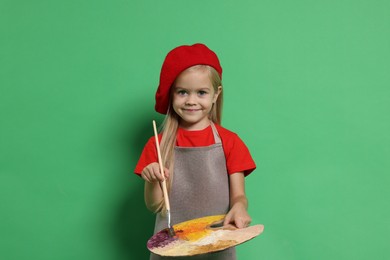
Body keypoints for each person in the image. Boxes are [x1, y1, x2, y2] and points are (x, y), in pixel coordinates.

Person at [134, 43, 256, 260]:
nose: (191, 101)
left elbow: (239, 196)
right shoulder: (158, 145)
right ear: (172, 94)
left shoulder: (231, 142)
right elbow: (154, 206)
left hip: (217, 247)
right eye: (182, 92)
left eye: (201, 92)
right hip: (170, 251)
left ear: (216, 94)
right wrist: (153, 178)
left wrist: (239, 207)